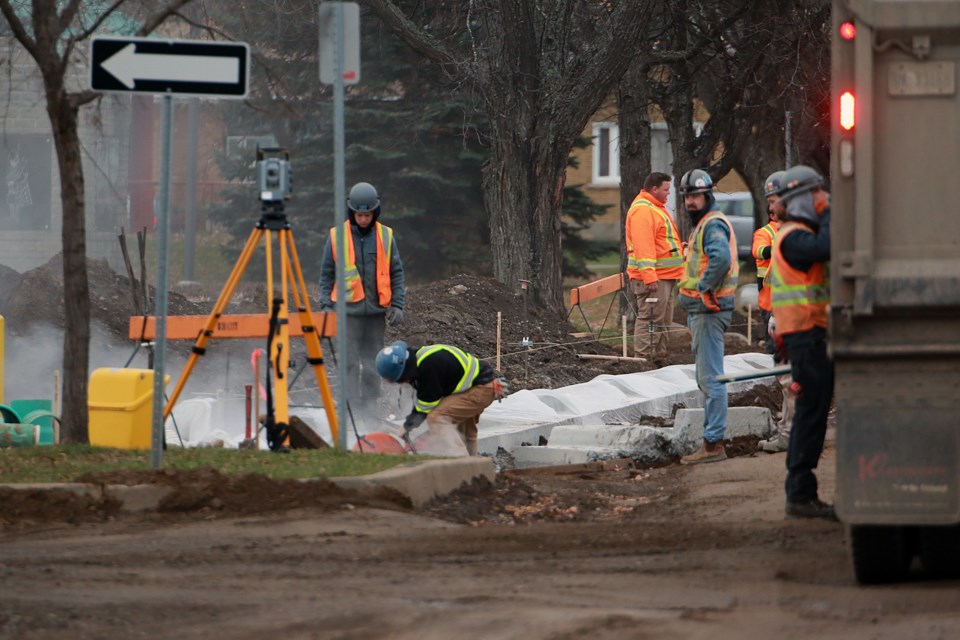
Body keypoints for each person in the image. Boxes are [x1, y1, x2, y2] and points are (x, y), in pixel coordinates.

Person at [768, 164, 835, 520]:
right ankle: (800, 494)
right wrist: (830, 213)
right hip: (806, 338)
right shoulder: (793, 236)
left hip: (808, 336)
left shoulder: (793, 233)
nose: (822, 200)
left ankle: (801, 493)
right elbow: (827, 246)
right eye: (817, 195)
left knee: (813, 412)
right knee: (810, 414)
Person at [319, 182, 405, 430]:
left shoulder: (386, 236)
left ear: (375, 213)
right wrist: (326, 304)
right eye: (360, 214)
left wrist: (397, 305)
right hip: (347, 315)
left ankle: (368, 412)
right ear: (352, 213)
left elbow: (396, 272)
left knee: (372, 364)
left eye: (368, 214)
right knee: (347, 363)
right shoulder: (337, 236)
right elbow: (327, 274)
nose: (364, 219)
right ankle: (350, 413)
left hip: (376, 315)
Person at [675, 169, 739, 465]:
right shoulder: (704, 224)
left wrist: (703, 288)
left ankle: (713, 445)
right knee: (709, 377)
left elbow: (721, 259)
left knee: (711, 378)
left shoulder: (712, 225)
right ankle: (712, 441)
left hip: (709, 311)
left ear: (707, 195)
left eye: (695, 196)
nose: (690, 201)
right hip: (703, 311)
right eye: (687, 196)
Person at [375, 341, 503, 456]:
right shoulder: (420, 359)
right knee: (463, 434)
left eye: (400, 380)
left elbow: (426, 406)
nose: (401, 383)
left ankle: (459, 461)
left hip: (480, 389)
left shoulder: (428, 367)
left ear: (403, 372)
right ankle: (473, 473)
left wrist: (407, 427)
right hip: (477, 387)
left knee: (436, 418)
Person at [754, 170, 796, 454]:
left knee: (789, 378)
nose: (771, 206)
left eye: (775, 199)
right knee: (788, 379)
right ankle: (791, 429)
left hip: (790, 315)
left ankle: (790, 432)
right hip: (781, 311)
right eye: (769, 200)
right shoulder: (777, 231)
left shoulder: (792, 233)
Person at [625, 172, 684, 365]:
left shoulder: (655, 208)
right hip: (653, 279)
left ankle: (659, 358)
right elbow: (644, 246)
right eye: (666, 189)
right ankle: (642, 361)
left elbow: (660, 242)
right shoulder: (644, 210)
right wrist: (649, 276)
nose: (669, 194)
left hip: (665, 276)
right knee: (650, 318)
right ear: (654, 189)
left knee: (662, 320)